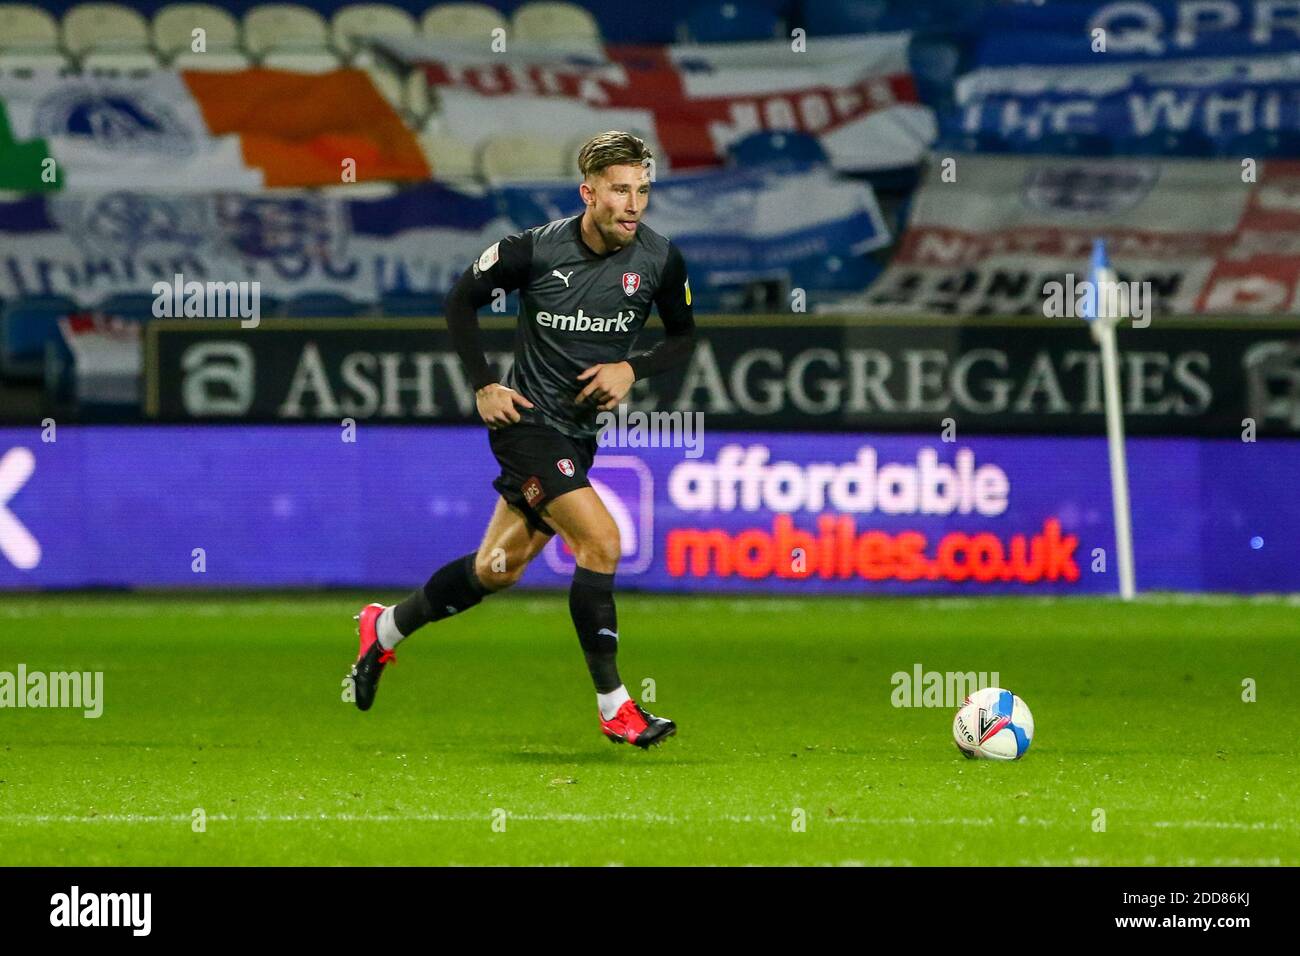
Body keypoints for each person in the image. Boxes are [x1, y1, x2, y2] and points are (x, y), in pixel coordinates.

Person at [346, 131, 697, 748]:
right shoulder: (533, 251)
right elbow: (461, 300)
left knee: (496, 570)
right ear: (588, 193)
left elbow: (684, 338)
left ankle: (386, 627)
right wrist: (483, 383)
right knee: (603, 541)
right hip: (526, 427)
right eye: (620, 190)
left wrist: (631, 368)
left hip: (578, 436)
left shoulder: (661, 261)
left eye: (643, 190)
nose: (634, 204)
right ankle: (616, 706)